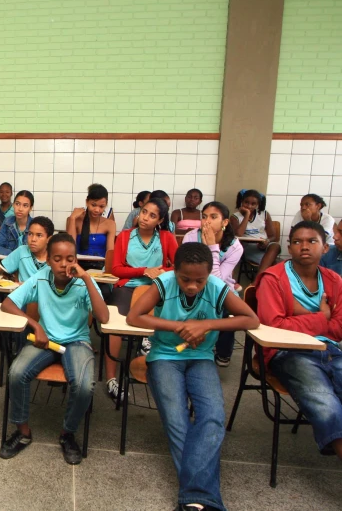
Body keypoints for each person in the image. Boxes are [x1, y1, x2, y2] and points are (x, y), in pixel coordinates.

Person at [127, 243, 259, 511]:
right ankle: (203, 500)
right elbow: (134, 317)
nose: (191, 286)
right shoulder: (164, 283)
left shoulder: (216, 287)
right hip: (164, 356)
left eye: (199, 280)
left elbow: (251, 320)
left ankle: (193, 500)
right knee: (176, 419)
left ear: (209, 274)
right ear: (175, 271)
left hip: (201, 358)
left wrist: (207, 324)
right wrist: (179, 326)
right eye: (185, 279)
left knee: (212, 417)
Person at [0, 233, 109, 464]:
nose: (64, 264)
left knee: (83, 385)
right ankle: (23, 432)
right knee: (17, 373)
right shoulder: (40, 278)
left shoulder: (83, 282)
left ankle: (67, 433)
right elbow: (8, 303)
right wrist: (35, 324)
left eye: (70, 259)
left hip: (77, 341)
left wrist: (88, 279)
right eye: (57, 258)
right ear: (48, 260)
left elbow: (104, 317)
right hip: (46, 341)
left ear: (76, 260)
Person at [253, 221, 342, 460]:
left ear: (325, 248)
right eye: (297, 242)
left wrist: (309, 320)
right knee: (325, 403)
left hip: (330, 349)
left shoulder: (334, 281)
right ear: (289, 247)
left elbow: (339, 328)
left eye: (312, 241)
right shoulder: (273, 278)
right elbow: (274, 327)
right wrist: (322, 317)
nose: (304, 246)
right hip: (288, 352)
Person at [106, 197, 178, 400]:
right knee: (114, 324)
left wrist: (162, 271)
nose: (145, 218)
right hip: (127, 286)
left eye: (152, 215)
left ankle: (157, 368)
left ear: (160, 220)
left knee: (163, 322)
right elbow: (117, 269)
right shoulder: (126, 236)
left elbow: (179, 265)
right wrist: (144, 270)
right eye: (144, 212)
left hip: (155, 290)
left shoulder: (166, 238)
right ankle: (111, 378)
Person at [182, 202, 243, 368]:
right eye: (204, 217)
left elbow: (217, 282)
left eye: (213, 217)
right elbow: (188, 270)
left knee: (229, 307)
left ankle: (223, 352)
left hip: (220, 286)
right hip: (194, 283)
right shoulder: (191, 237)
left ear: (224, 222)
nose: (206, 221)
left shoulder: (234, 246)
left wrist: (212, 248)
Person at [0, 217, 54, 284]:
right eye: (30, 234)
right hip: (23, 298)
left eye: (39, 235)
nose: (33, 239)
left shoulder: (55, 257)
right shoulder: (22, 251)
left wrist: (26, 285)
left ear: (49, 239)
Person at [229, 189, 280, 274]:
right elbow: (238, 234)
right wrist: (247, 215)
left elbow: (273, 236)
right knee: (271, 264)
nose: (249, 206)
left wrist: (267, 241)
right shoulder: (235, 217)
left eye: (253, 204)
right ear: (241, 201)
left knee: (275, 246)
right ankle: (258, 280)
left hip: (264, 245)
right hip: (247, 246)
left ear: (258, 205)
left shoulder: (264, 214)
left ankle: (257, 280)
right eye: (246, 202)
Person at [67, 184, 116, 262]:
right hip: (78, 265)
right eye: (93, 205)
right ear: (87, 202)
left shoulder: (110, 224)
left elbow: (110, 252)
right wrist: (72, 219)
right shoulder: (75, 220)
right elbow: (69, 247)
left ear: (106, 205)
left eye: (101, 206)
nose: (97, 210)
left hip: (101, 267)